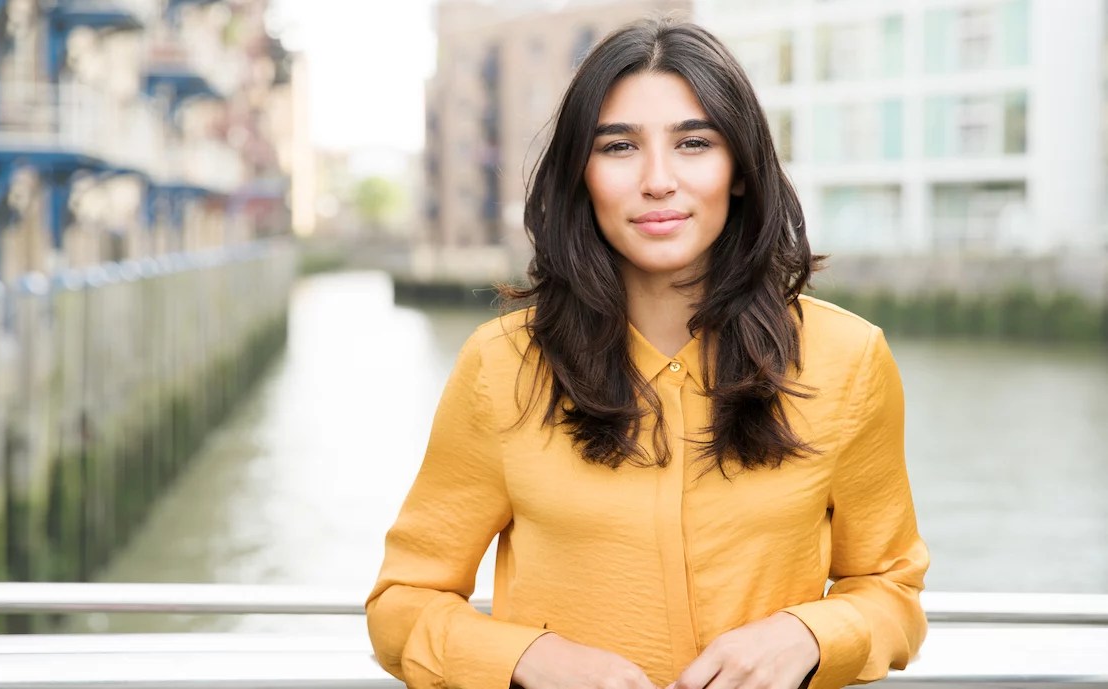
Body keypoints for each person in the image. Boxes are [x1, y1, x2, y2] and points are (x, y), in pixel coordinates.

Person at [366, 17, 928, 689]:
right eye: (619, 146)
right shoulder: (500, 366)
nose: (658, 180)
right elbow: (400, 605)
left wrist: (808, 635)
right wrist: (527, 658)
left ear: (740, 169)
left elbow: (892, 591)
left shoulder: (851, 359)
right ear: (583, 173)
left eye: (694, 143)